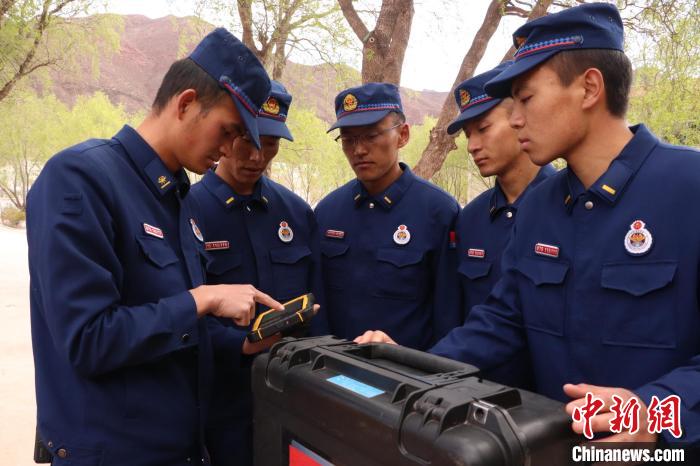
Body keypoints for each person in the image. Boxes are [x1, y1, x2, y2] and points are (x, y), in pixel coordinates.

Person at [356, 3, 700, 449]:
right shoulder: (539, 208)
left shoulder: (688, 188)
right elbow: (501, 323)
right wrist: (404, 367)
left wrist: (653, 412)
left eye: (526, 98)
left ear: (589, 88)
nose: (515, 117)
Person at [26, 28, 283, 465]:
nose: (228, 151)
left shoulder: (178, 197)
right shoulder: (80, 179)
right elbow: (88, 340)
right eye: (227, 131)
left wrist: (239, 344)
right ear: (186, 104)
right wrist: (203, 299)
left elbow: (173, 328)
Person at [189, 80, 325, 466]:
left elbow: (317, 300)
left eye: (270, 143)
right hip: (221, 404)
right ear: (226, 133)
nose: (257, 156)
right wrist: (238, 344)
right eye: (247, 140)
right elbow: (178, 309)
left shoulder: (296, 213)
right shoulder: (188, 211)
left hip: (292, 395)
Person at [315, 82, 461, 351]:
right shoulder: (328, 213)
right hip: (334, 369)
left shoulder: (438, 212)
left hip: (407, 372)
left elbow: (447, 316)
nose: (359, 150)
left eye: (371, 136)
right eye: (348, 139)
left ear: (402, 135)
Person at [447, 61, 555, 388]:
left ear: (519, 119)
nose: (472, 146)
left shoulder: (567, 206)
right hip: (478, 393)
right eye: (468, 135)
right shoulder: (470, 218)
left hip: (551, 399)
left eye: (483, 129)